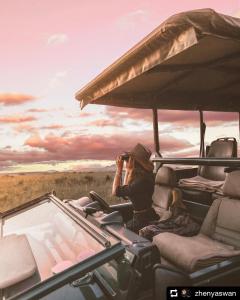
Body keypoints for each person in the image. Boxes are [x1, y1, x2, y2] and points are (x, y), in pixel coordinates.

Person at [112, 143, 159, 233]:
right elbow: (126, 189)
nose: (127, 161)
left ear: (135, 162)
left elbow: (115, 191)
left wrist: (119, 170)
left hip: (143, 220)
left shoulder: (142, 181)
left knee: (119, 233)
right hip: (145, 216)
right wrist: (129, 170)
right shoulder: (143, 177)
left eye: (130, 159)